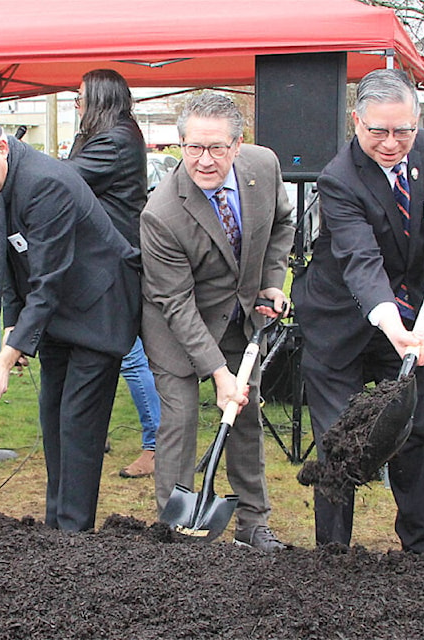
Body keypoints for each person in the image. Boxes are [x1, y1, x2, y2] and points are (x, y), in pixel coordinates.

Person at [291, 69, 424, 556]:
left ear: (417, 122)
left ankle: (421, 552)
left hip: (412, 319)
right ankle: (332, 555)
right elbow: (361, 261)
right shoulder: (339, 179)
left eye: (403, 131)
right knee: (338, 442)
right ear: (356, 121)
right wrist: (394, 326)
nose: (392, 144)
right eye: (379, 132)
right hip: (340, 321)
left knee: (413, 433)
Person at [0, 110, 141, 532]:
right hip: (56, 315)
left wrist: (5, 360)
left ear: (1, 146)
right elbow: (7, 261)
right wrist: (13, 323)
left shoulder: (46, 183)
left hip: (98, 310)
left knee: (78, 431)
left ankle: (73, 538)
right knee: (53, 424)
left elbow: (47, 281)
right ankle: (55, 532)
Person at [140, 92, 294, 551]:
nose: (204, 160)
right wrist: (220, 374)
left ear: (238, 144)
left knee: (246, 417)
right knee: (182, 418)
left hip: (239, 317)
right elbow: (177, 305)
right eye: (193, 148)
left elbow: (282, 222)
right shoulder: (162, 213)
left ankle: (253, 524)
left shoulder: (263, 167)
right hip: (176, 325)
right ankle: (176, 529)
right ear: (179, 144)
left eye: (217, 148)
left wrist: (271, 280)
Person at [65, 68, 160, 479]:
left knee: (130, 354)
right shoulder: (105, 136)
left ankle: (155, 444)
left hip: (118, 263)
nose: (76, 104)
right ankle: (95, 430)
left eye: (80, 98)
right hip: (105, 263)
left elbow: (65, 179)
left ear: (100, 99)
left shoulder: (117, 140)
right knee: (120, 353)